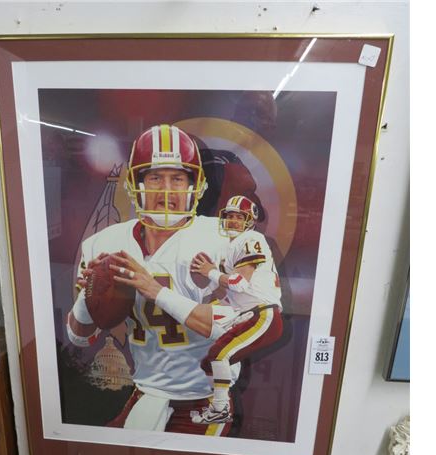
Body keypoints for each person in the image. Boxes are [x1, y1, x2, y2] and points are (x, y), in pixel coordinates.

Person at [67, 124, 238, 435]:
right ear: (137, 184)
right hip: (147, 392)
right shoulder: (105, 243)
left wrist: (155, 290)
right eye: (155, 177)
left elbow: (237, 328)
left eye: (178, 178)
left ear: (195, 185)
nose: (166, 190)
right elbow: (80, 337)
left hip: (205, 397)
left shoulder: (224, 239)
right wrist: (88, 296)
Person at [112, 194, 283, 424]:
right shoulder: (229, 246)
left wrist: (210, 272)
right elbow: (225, 294)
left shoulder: (251, 238)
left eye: (239, 217)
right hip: (243, 312)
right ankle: (217, 405)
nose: (233, 221)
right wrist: (207, 282)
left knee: (219, 355)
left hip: (262, 313)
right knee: (209, 362)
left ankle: (221, 409)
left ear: (250, 220)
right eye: (229, 216)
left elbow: (239, 283)